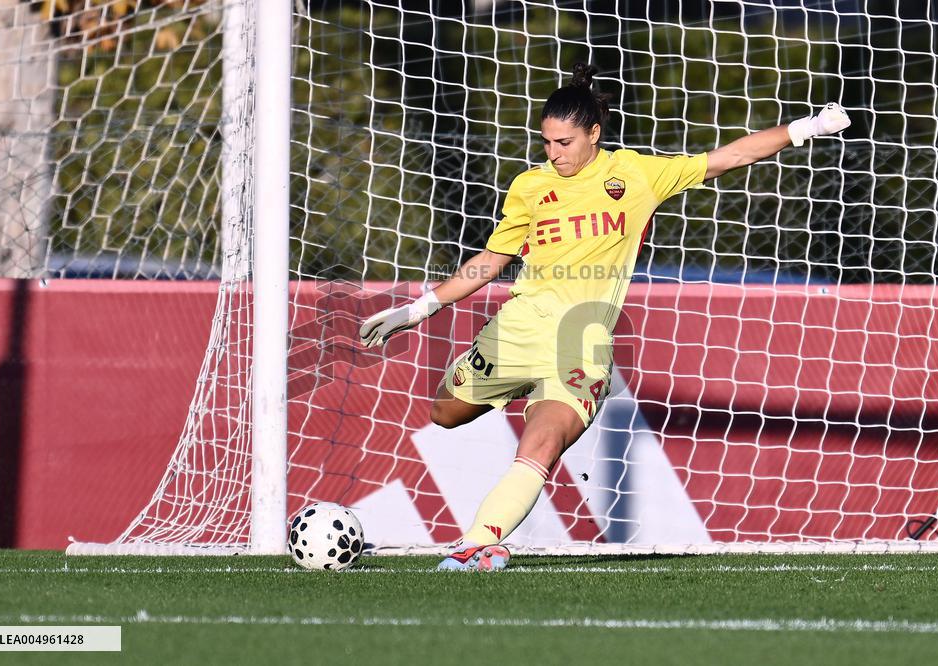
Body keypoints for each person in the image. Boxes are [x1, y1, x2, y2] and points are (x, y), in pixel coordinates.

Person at [359, 63, 850, 571]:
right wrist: (419, 309)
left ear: (594, 134)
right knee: (446, 413)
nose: (554, 153)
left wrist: (805, 129)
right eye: (547, 142)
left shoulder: (636, 175)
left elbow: (729, 157)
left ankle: (479, 544)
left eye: (565, 142)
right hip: (519, 328)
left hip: (581, 339)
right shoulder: (530, 186)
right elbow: (491, 261)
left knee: (543, 441)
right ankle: (521, 395)